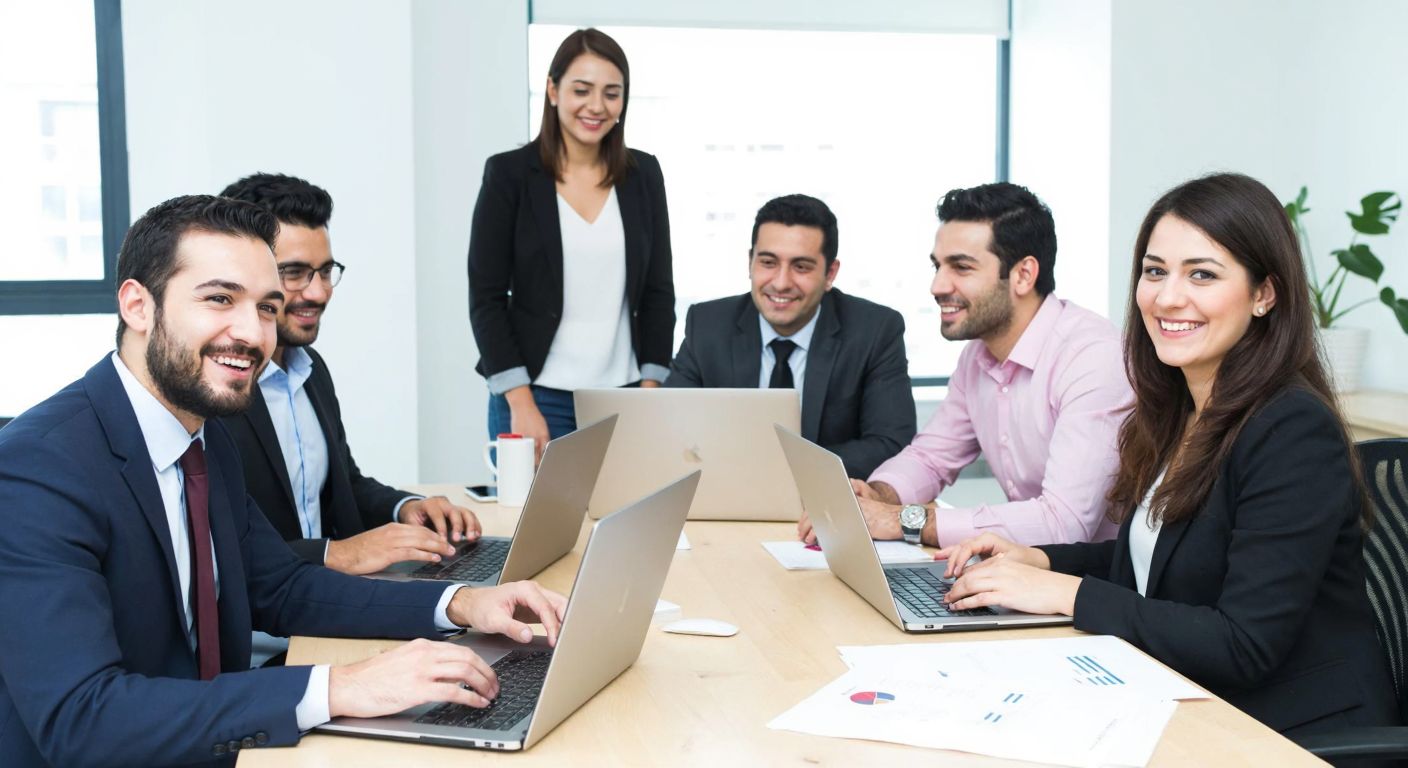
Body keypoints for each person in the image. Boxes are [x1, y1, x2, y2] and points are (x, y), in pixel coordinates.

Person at [0, 195, 567, 768]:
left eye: (267, 308)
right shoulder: (38, 468)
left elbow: (281, 587)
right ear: (138, 306)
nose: (252, 333)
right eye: (220, 298)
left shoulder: (203, 431)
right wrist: (340, 688)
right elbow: (82, 719)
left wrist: (464, 604)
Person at [937, 173, 1398, 737]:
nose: (1167, 296)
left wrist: (1066, 593)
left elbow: (1243, 643)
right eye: (1155, 272)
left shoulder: (1292, 428)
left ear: (1264, 293)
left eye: (1201, 274)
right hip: (1187, 696)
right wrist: (1041, 561)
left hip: (1287, 732)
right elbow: (1157, 571)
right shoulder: (1179, 409)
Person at [800, 182, 1132, 548]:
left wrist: (903, 520)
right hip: (1030, 570)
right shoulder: (978, 356)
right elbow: (931, 458)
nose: (937, 285)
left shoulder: (1093, 359)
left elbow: (1062, 523)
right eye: (938, 266)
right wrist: (877, 496)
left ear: (1023, 275)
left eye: (961, 267)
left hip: (1103, 585)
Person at [218, 173, 480, 577]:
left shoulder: (310, 370)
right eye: (295, 273)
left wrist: (406, 507)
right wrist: (333, 554)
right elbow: (217, 546)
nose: (319, 292)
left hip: (328, 597)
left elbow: (344, 485)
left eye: (325, 271)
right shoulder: (216, 390)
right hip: (264, 625)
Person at [468, 27, 674, 460]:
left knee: (628, 524)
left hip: (625, 399)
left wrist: (650, 394)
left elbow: (658, 291)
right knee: (534, 527)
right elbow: (486, 298)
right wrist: (521, 404)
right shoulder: (509, 175)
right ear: (553, 89)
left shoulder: (644, 176)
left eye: (612, 93)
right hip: (535, 396)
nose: (596, 106)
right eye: (582, 90)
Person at [666, 194, 916, 478]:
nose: (781, 283)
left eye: (801, 267)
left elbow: (891, 444)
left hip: (823, 502)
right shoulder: (708, 325)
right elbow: (670, 429)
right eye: (768, 262)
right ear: (751, 262)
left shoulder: (875, 330)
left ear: (830, 273)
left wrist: (778, 467)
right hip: (725, 496)